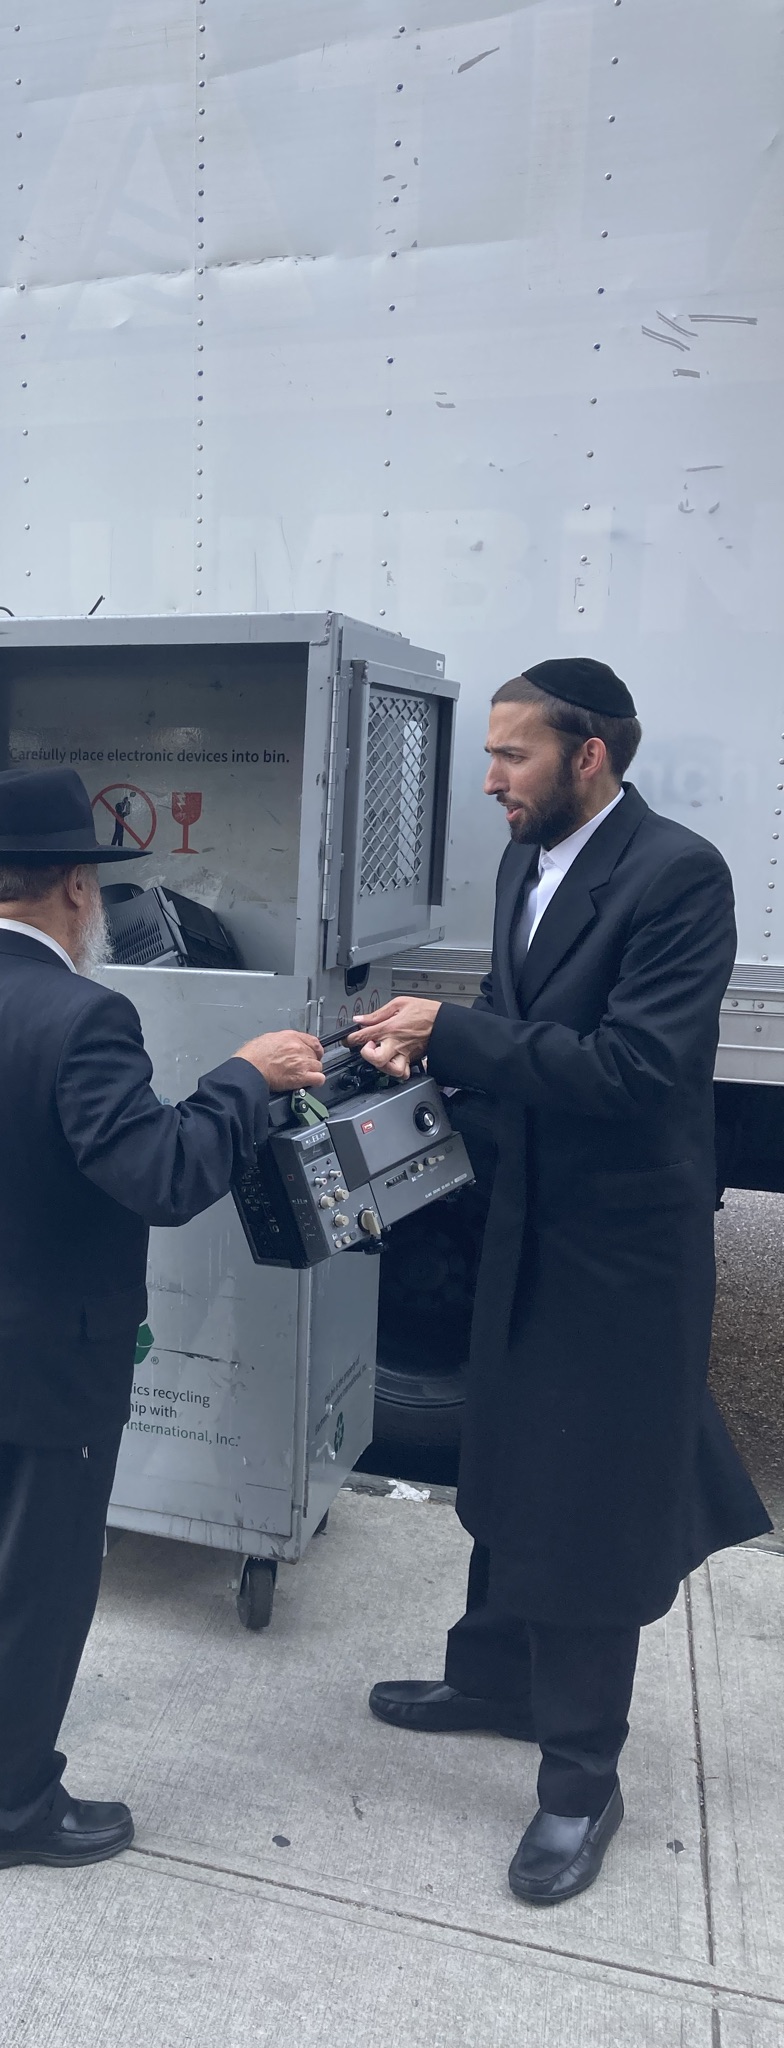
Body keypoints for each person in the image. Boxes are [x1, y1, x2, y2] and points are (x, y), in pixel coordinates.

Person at [347, 658, 771, 1906]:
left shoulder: (679, 874)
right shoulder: (525, 863)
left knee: (590, 1498)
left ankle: (582, 1776)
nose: (491, 779)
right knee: (508, 1452)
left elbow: (637, 1068)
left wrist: (457, 1031)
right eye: (490, 755)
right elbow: (521, 1018)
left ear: (590, 755)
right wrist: (423, 1058)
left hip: (621, 1250)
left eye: (512, 754)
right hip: (523, 1215)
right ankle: (493, 1678)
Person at [0, 766, 325, 1873]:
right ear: (76, 887)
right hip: (42, 1355)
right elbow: (164, 1176)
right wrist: (245, 1078)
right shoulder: (85, 1015)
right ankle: (5, 1805)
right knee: (37, 1573)